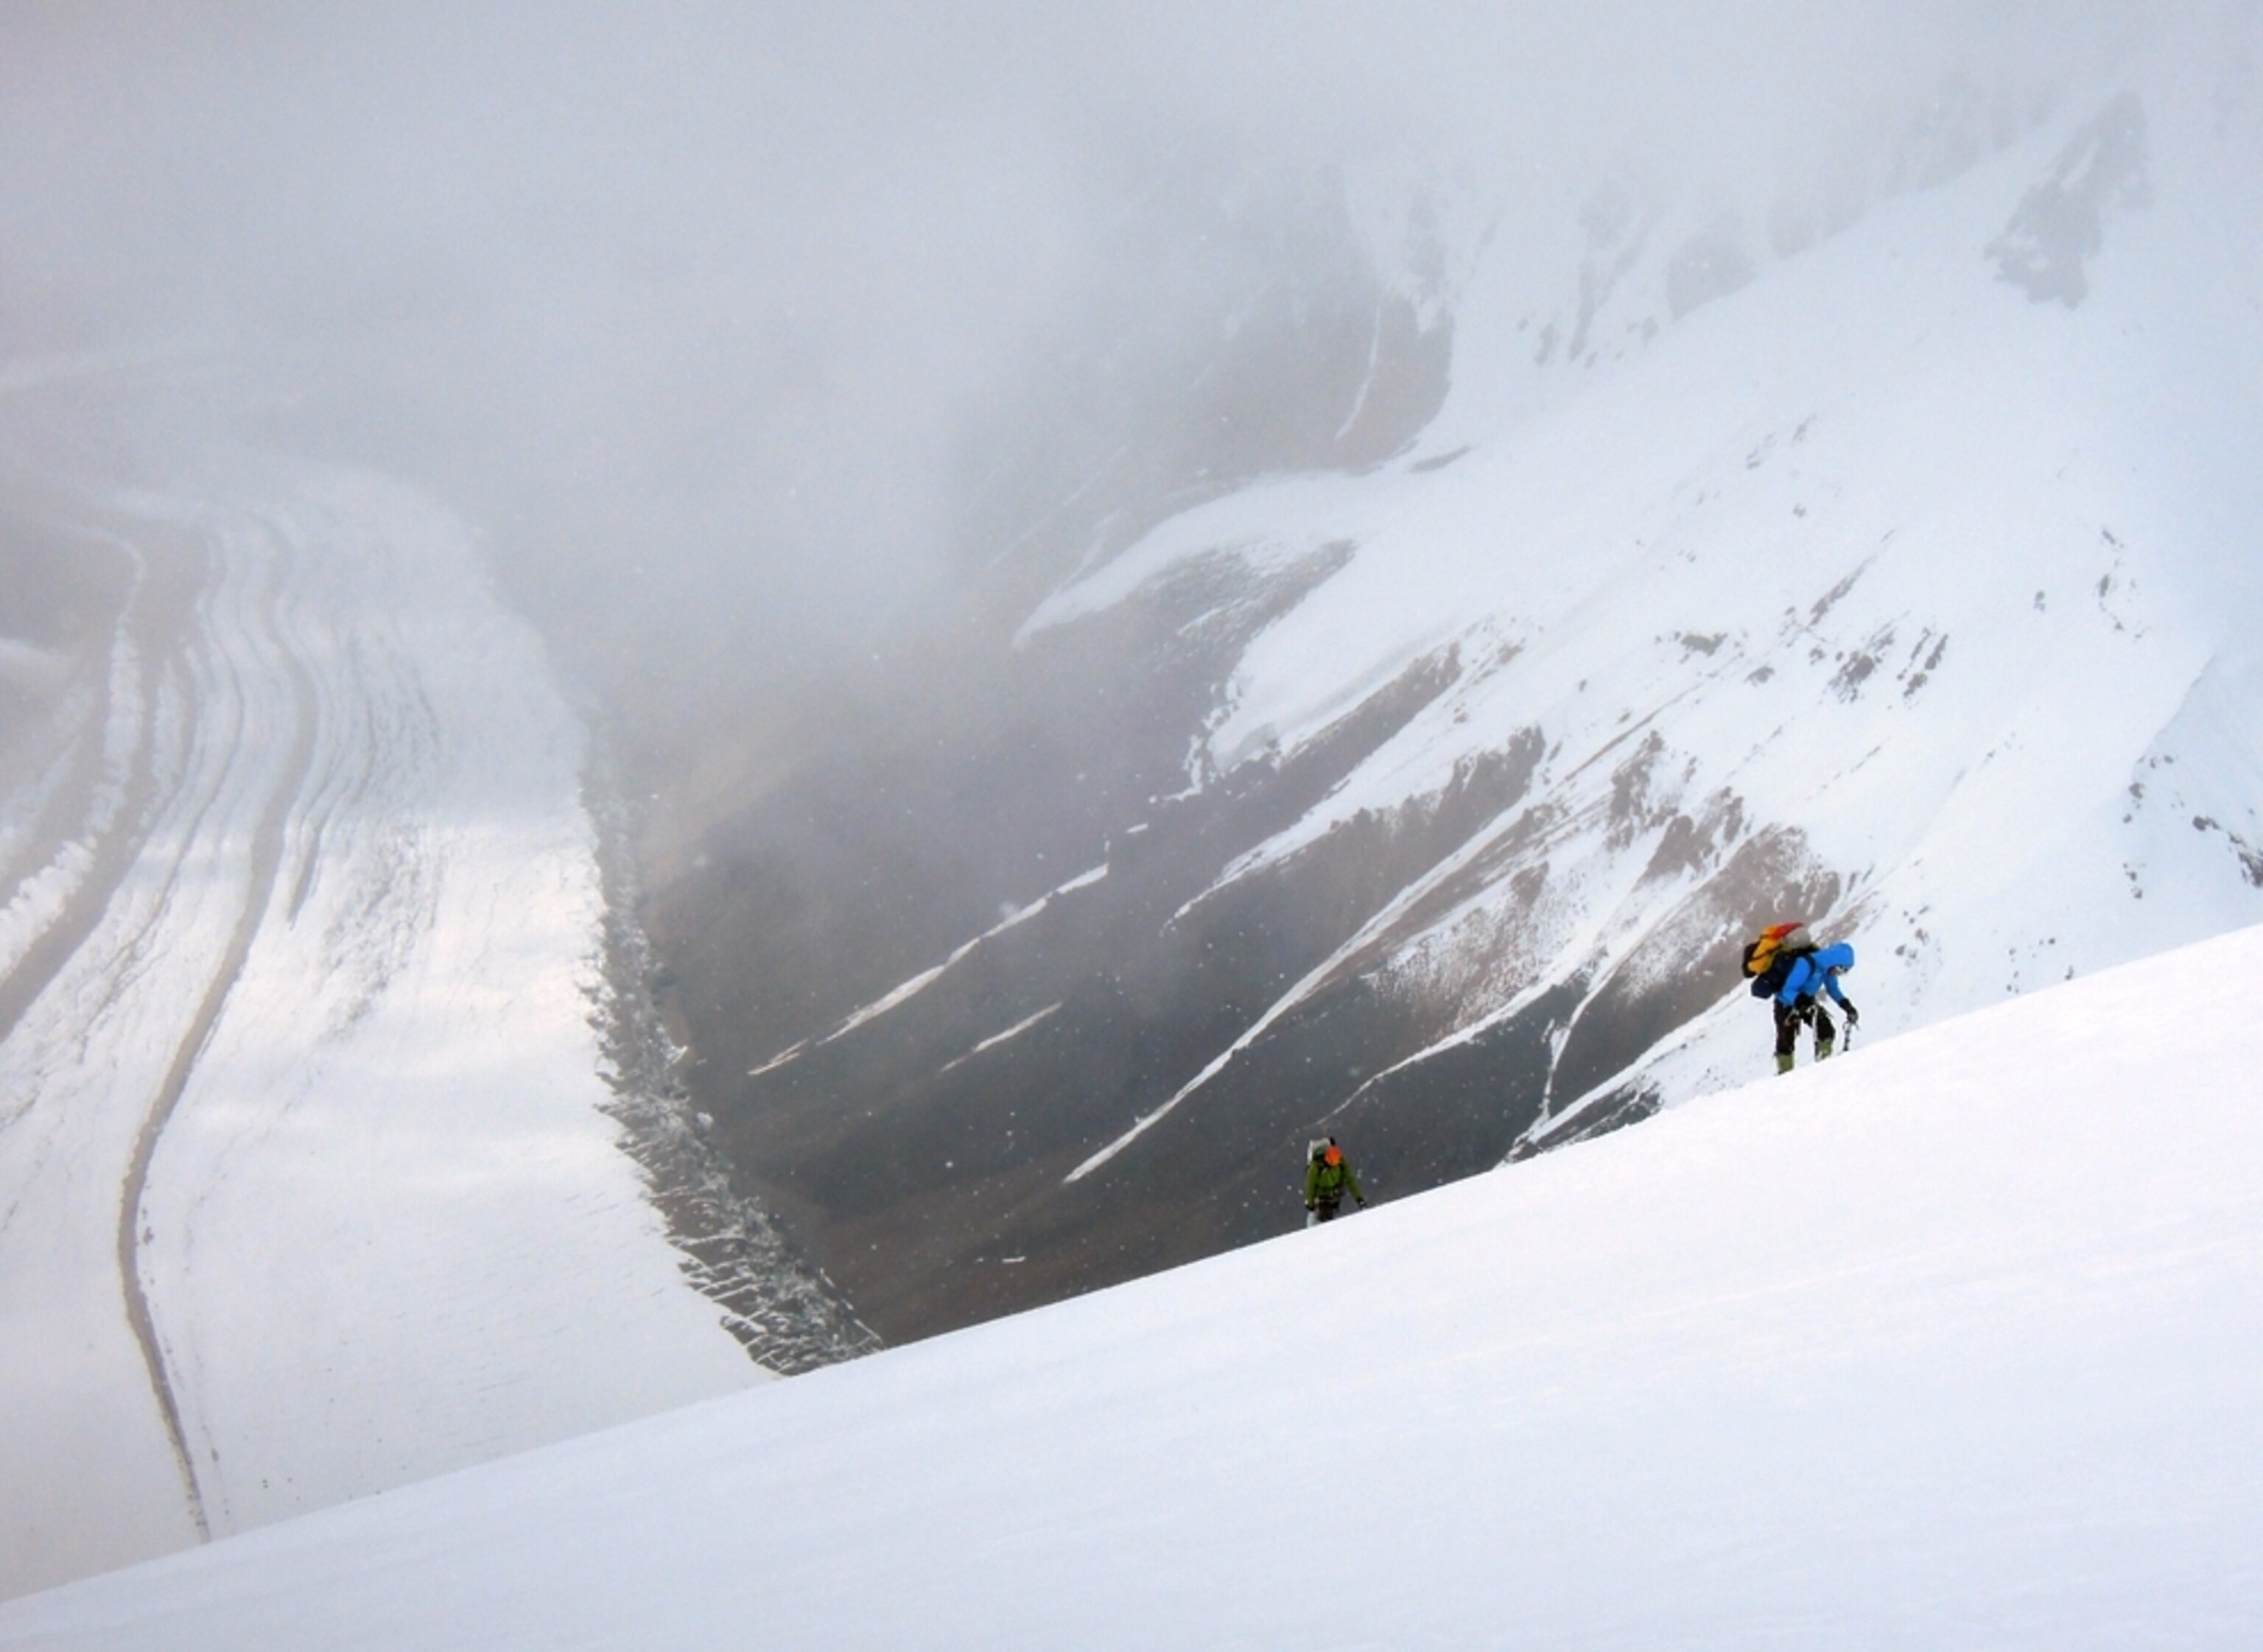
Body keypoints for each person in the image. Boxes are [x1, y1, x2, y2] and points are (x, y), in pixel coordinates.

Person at [1748, 929, 1859, 1073]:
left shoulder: (1826, 970)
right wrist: (1801, 1000)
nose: (1838, 974)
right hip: (1785, 1005)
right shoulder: (1806, 964)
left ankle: (1824, 1065)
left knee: (1826, 1030)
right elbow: (1788, 990)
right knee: (1786, 1042)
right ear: (1835, 962)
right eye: (1841, 970)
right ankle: (1785, 1075)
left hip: (1805, 1002)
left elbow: (1833, 989)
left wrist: (1847, 1007)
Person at [1304, 1135, 1366, 1226]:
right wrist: (1311, 1203)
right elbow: (1310, 1185)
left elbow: (1350, 1180)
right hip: (1323, 1198)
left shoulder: (1340, 1162)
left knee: (1326, 1220)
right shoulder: (1316, 1166)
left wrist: (1359, 1198)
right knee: (1325, 1221)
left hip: (1334, 1196)